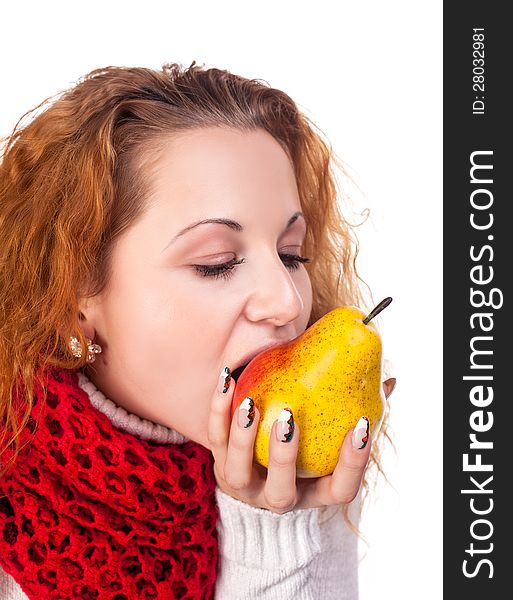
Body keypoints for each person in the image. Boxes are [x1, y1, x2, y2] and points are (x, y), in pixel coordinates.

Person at [0, 62, 396, 599]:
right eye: (216, 262)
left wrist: (276, 527)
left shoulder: (305, 473)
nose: (286, 302)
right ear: (74, 296)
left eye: (290, 254)